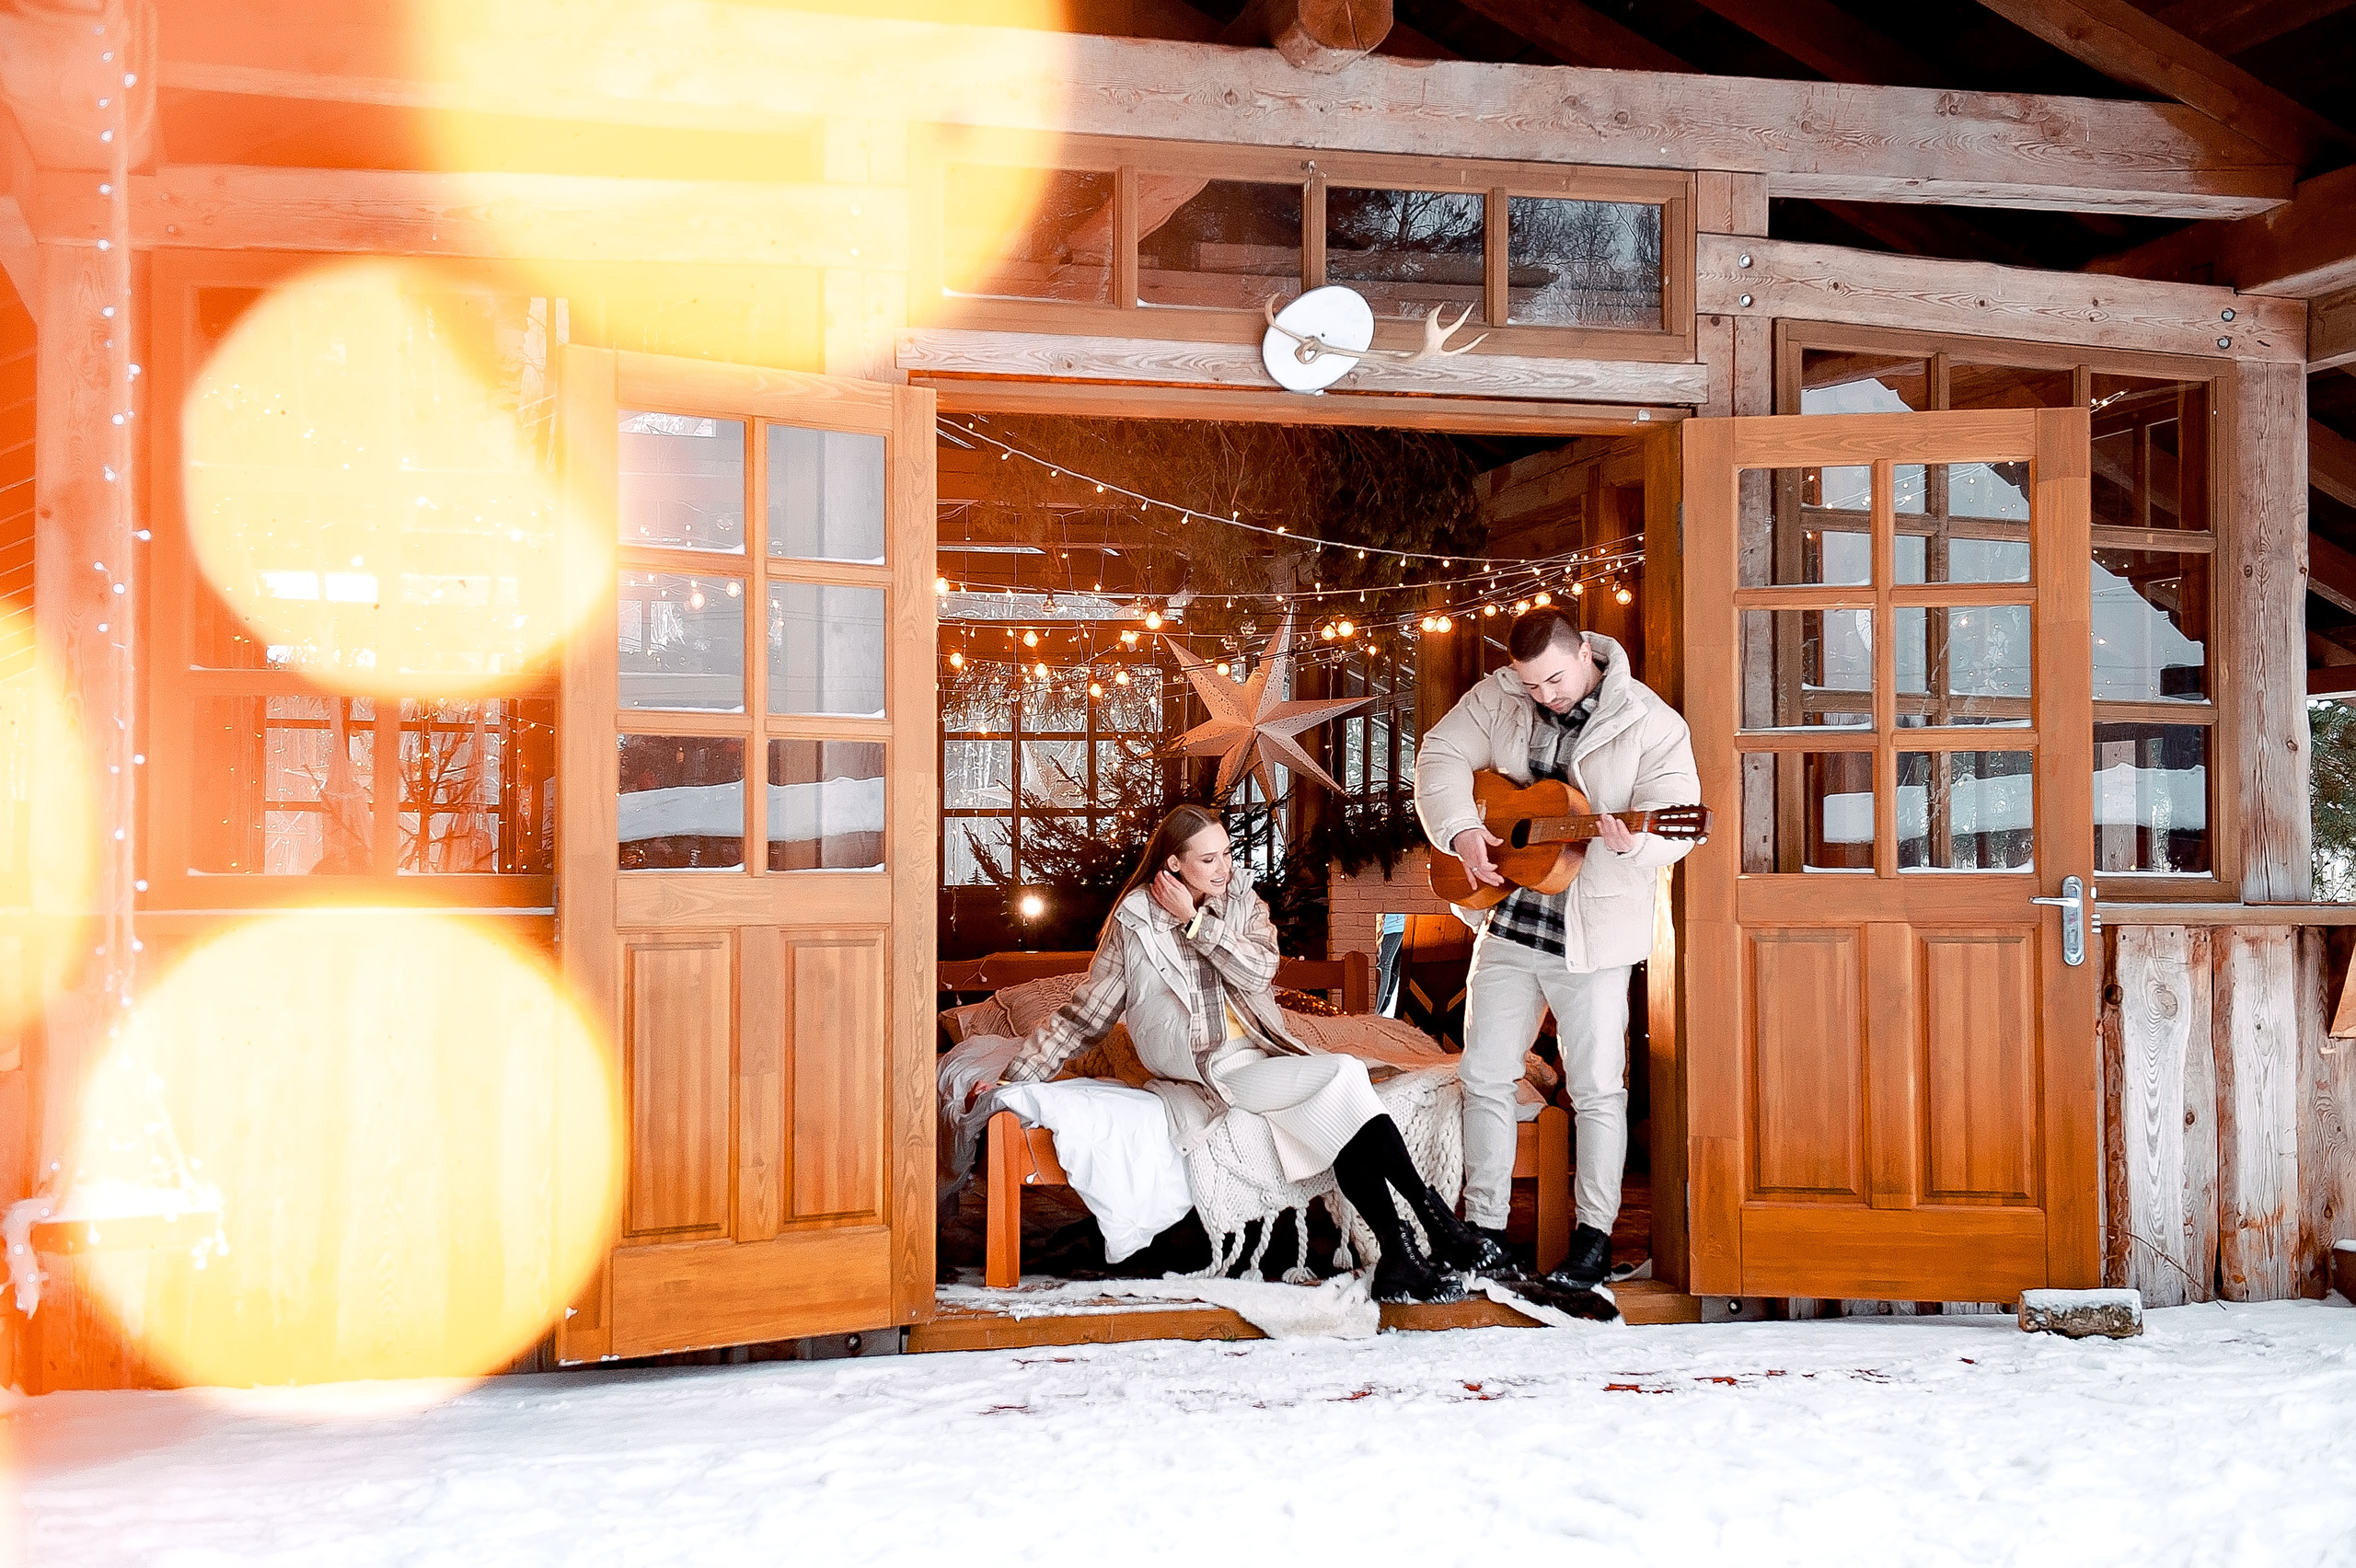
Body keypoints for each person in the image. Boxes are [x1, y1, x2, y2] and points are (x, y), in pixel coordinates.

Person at [1000, 804, 1504, 1303]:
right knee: (1346, 1073)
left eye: (1227, 854)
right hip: (1213, 1071)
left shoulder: (1241, 899)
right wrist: (1015, 1079)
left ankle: (1400, 1256)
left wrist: (1197, 922)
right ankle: (1438, 1229)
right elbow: (1086, 1015)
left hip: (1266, 1054)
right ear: (1174, 864)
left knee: (1344, 1111)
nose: (1225, 869)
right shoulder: (1135, 924)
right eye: (1208, 860)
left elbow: (1259, 971)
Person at [1414, 608, 1700, 1289]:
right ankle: (1484, 1231)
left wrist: (1642, 843)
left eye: (1555, 679)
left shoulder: (1649, 720)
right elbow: (1440, 754)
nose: (1546, 695)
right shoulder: (1500, 695)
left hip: (1592, 937)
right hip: (1509, 925)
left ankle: (1593, 1241)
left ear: (1585, 654)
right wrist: (1460, 831)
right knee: (1484, 1076)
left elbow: (1679, 814)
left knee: (1598, 1088)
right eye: (1532, 684)